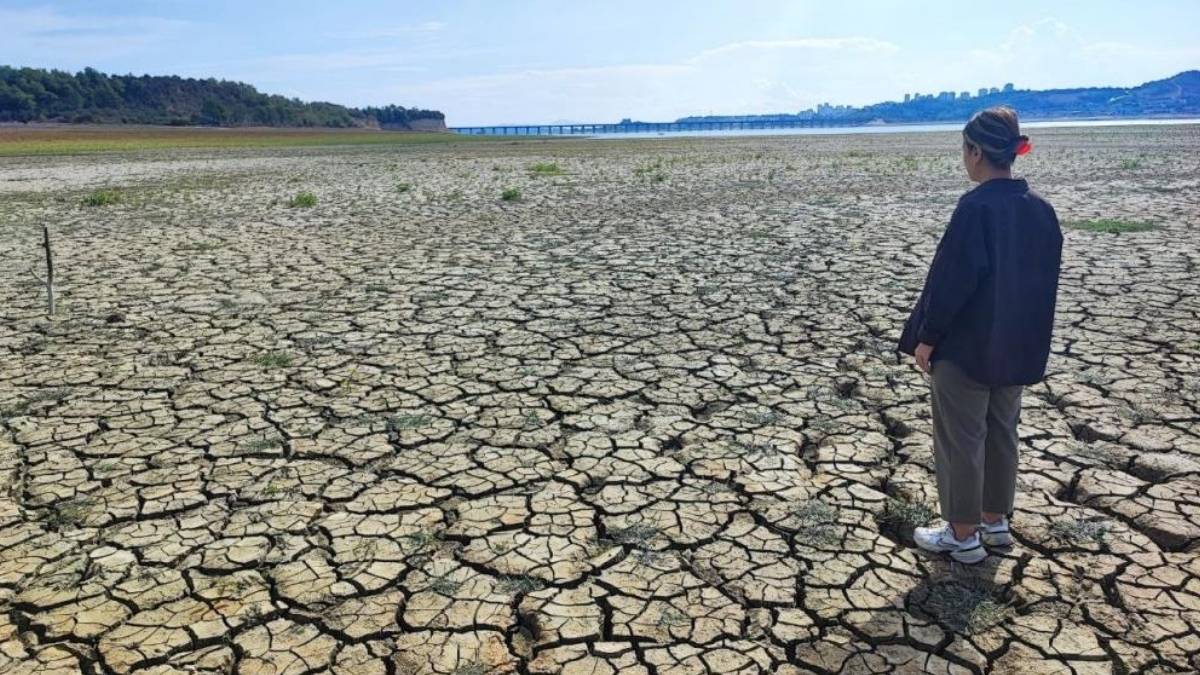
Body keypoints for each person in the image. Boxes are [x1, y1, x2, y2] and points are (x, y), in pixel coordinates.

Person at [897, 106, 1063, 564]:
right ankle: (995, 523)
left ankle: (962, 535)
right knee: (1001, 433)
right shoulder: (1040, 210)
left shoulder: (976, 208)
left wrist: (927, 338)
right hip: (1015, 347)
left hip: (967, 349)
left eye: (964, 150)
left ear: (975, 152)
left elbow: (952, 282)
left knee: (961, 440)